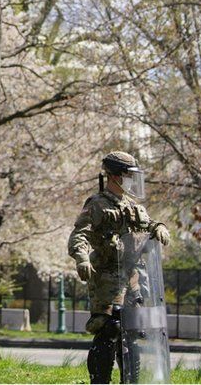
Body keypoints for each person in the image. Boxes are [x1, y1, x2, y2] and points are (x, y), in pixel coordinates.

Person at [68, 151, 170, 384]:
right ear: (114, 176)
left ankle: (131, 381)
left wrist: (160, 227)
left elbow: (149, 225)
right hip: (107, 277)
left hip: (133, 279)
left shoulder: (135, 207)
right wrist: (82, 258)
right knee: (108, 329)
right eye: (127, 175)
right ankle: (100, 380)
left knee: (132, 332)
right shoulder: (97, 204)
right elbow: (79, 234)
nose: (132, 180)